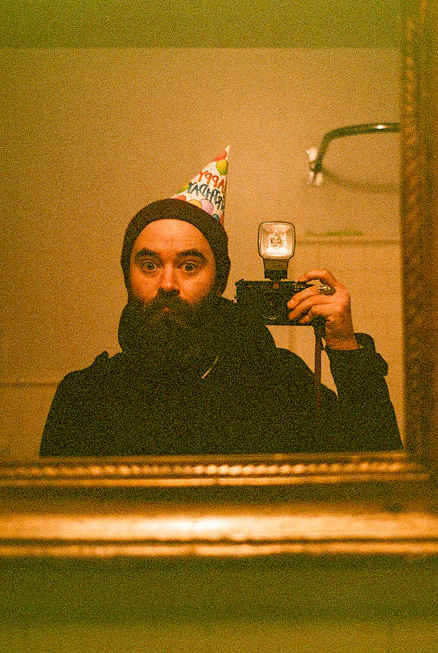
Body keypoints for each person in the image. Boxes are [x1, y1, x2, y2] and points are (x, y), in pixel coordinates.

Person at [39, 149, 401, 456]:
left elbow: (383, 477)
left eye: (189, 266)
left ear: (219, 280)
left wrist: (346, 349)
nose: (168, 284)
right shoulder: (84, 398)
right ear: (127, 276)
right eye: (149, 265)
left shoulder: (279, 385)